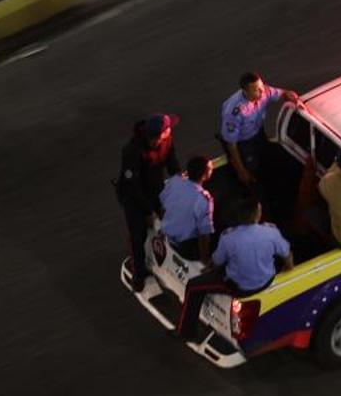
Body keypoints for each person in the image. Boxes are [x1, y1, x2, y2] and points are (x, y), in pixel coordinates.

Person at [176, 197, 294, 340]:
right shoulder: (271, 232)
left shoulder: (228, 237)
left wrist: (208, 269)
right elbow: (287, 255)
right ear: (257, 214)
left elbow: (217, 262)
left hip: (239, 287)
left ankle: (185, 333)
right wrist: (287, 268)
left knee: (193, 286)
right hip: (265, 282)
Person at [115, 113, 180, 293]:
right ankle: (138, 274)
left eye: (162, 136)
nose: (157, 142)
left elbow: (173, 164)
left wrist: (181, 183)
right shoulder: (132, 150)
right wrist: (148, 211)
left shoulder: (167, 141)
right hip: (133, 195)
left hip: (155, 188)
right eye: (154, 139)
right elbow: (132, 185)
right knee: (138, 234)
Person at [220, 72, 299, 188]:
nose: (262, 91)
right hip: (244, 143)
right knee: (251, 171)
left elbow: (283, 93)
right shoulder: (233, 112)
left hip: (259, 133)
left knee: (266, 157)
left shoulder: (263, 91)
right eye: (257, 90)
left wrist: (293, 97)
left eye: (261, 86)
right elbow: (231, 144)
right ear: (246, 91)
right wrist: (241, 171)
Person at [160, 155, 215, 264]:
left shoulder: (174, 183)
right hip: (186, 248)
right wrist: (205, 259)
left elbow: (162, 207)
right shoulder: (204, 199)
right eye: (210, 168)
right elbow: (204, 234)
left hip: (167, 238)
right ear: (204, 175)